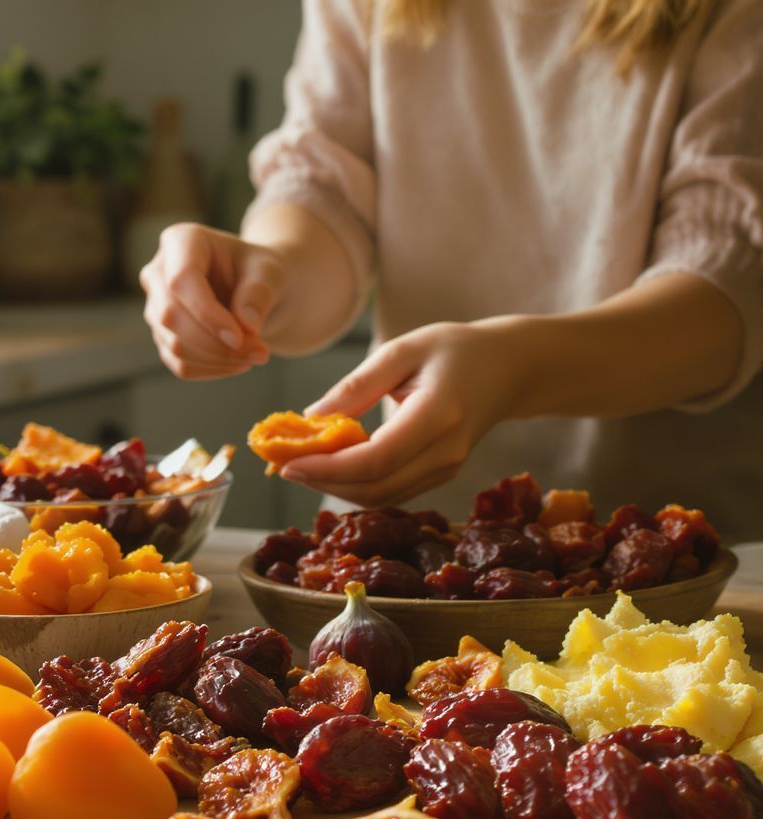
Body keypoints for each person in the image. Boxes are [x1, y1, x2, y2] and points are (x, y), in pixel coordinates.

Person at [139, 0, 763, 541]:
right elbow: (325, 191)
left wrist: (512, 370)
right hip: (409, 540)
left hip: (675, 553)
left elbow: (724, 298)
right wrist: (263, 277)